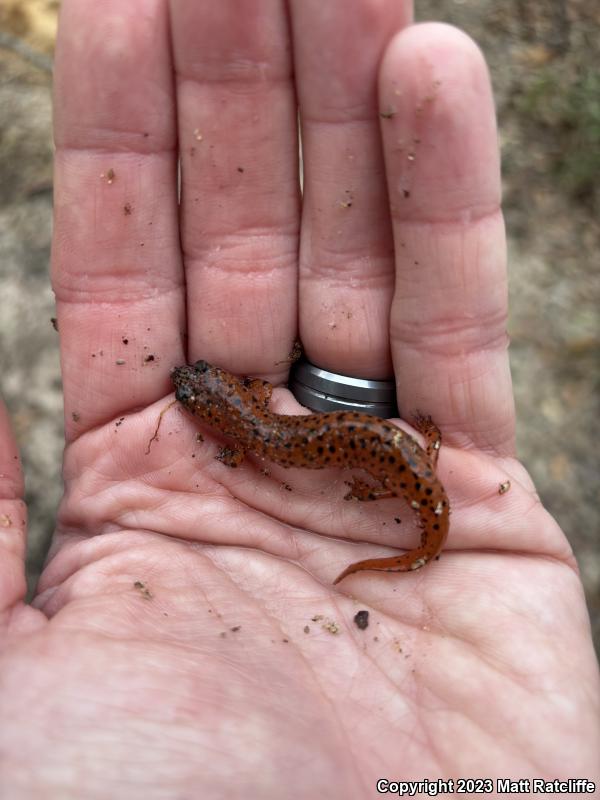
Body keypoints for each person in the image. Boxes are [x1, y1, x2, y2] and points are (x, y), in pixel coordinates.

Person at [1, 1, 598, 795]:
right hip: (395, 458)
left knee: (386, 470)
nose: (192, 388)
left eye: (195, 387)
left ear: (214, 409)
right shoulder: (248, 411)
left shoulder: (245, 431)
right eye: (196, 389)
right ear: (220, 399)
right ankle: (409, 526)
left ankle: (413, 537)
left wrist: (239, 440)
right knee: (388, 462)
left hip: (393, 466)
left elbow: (247, 443)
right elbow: (252, 417)